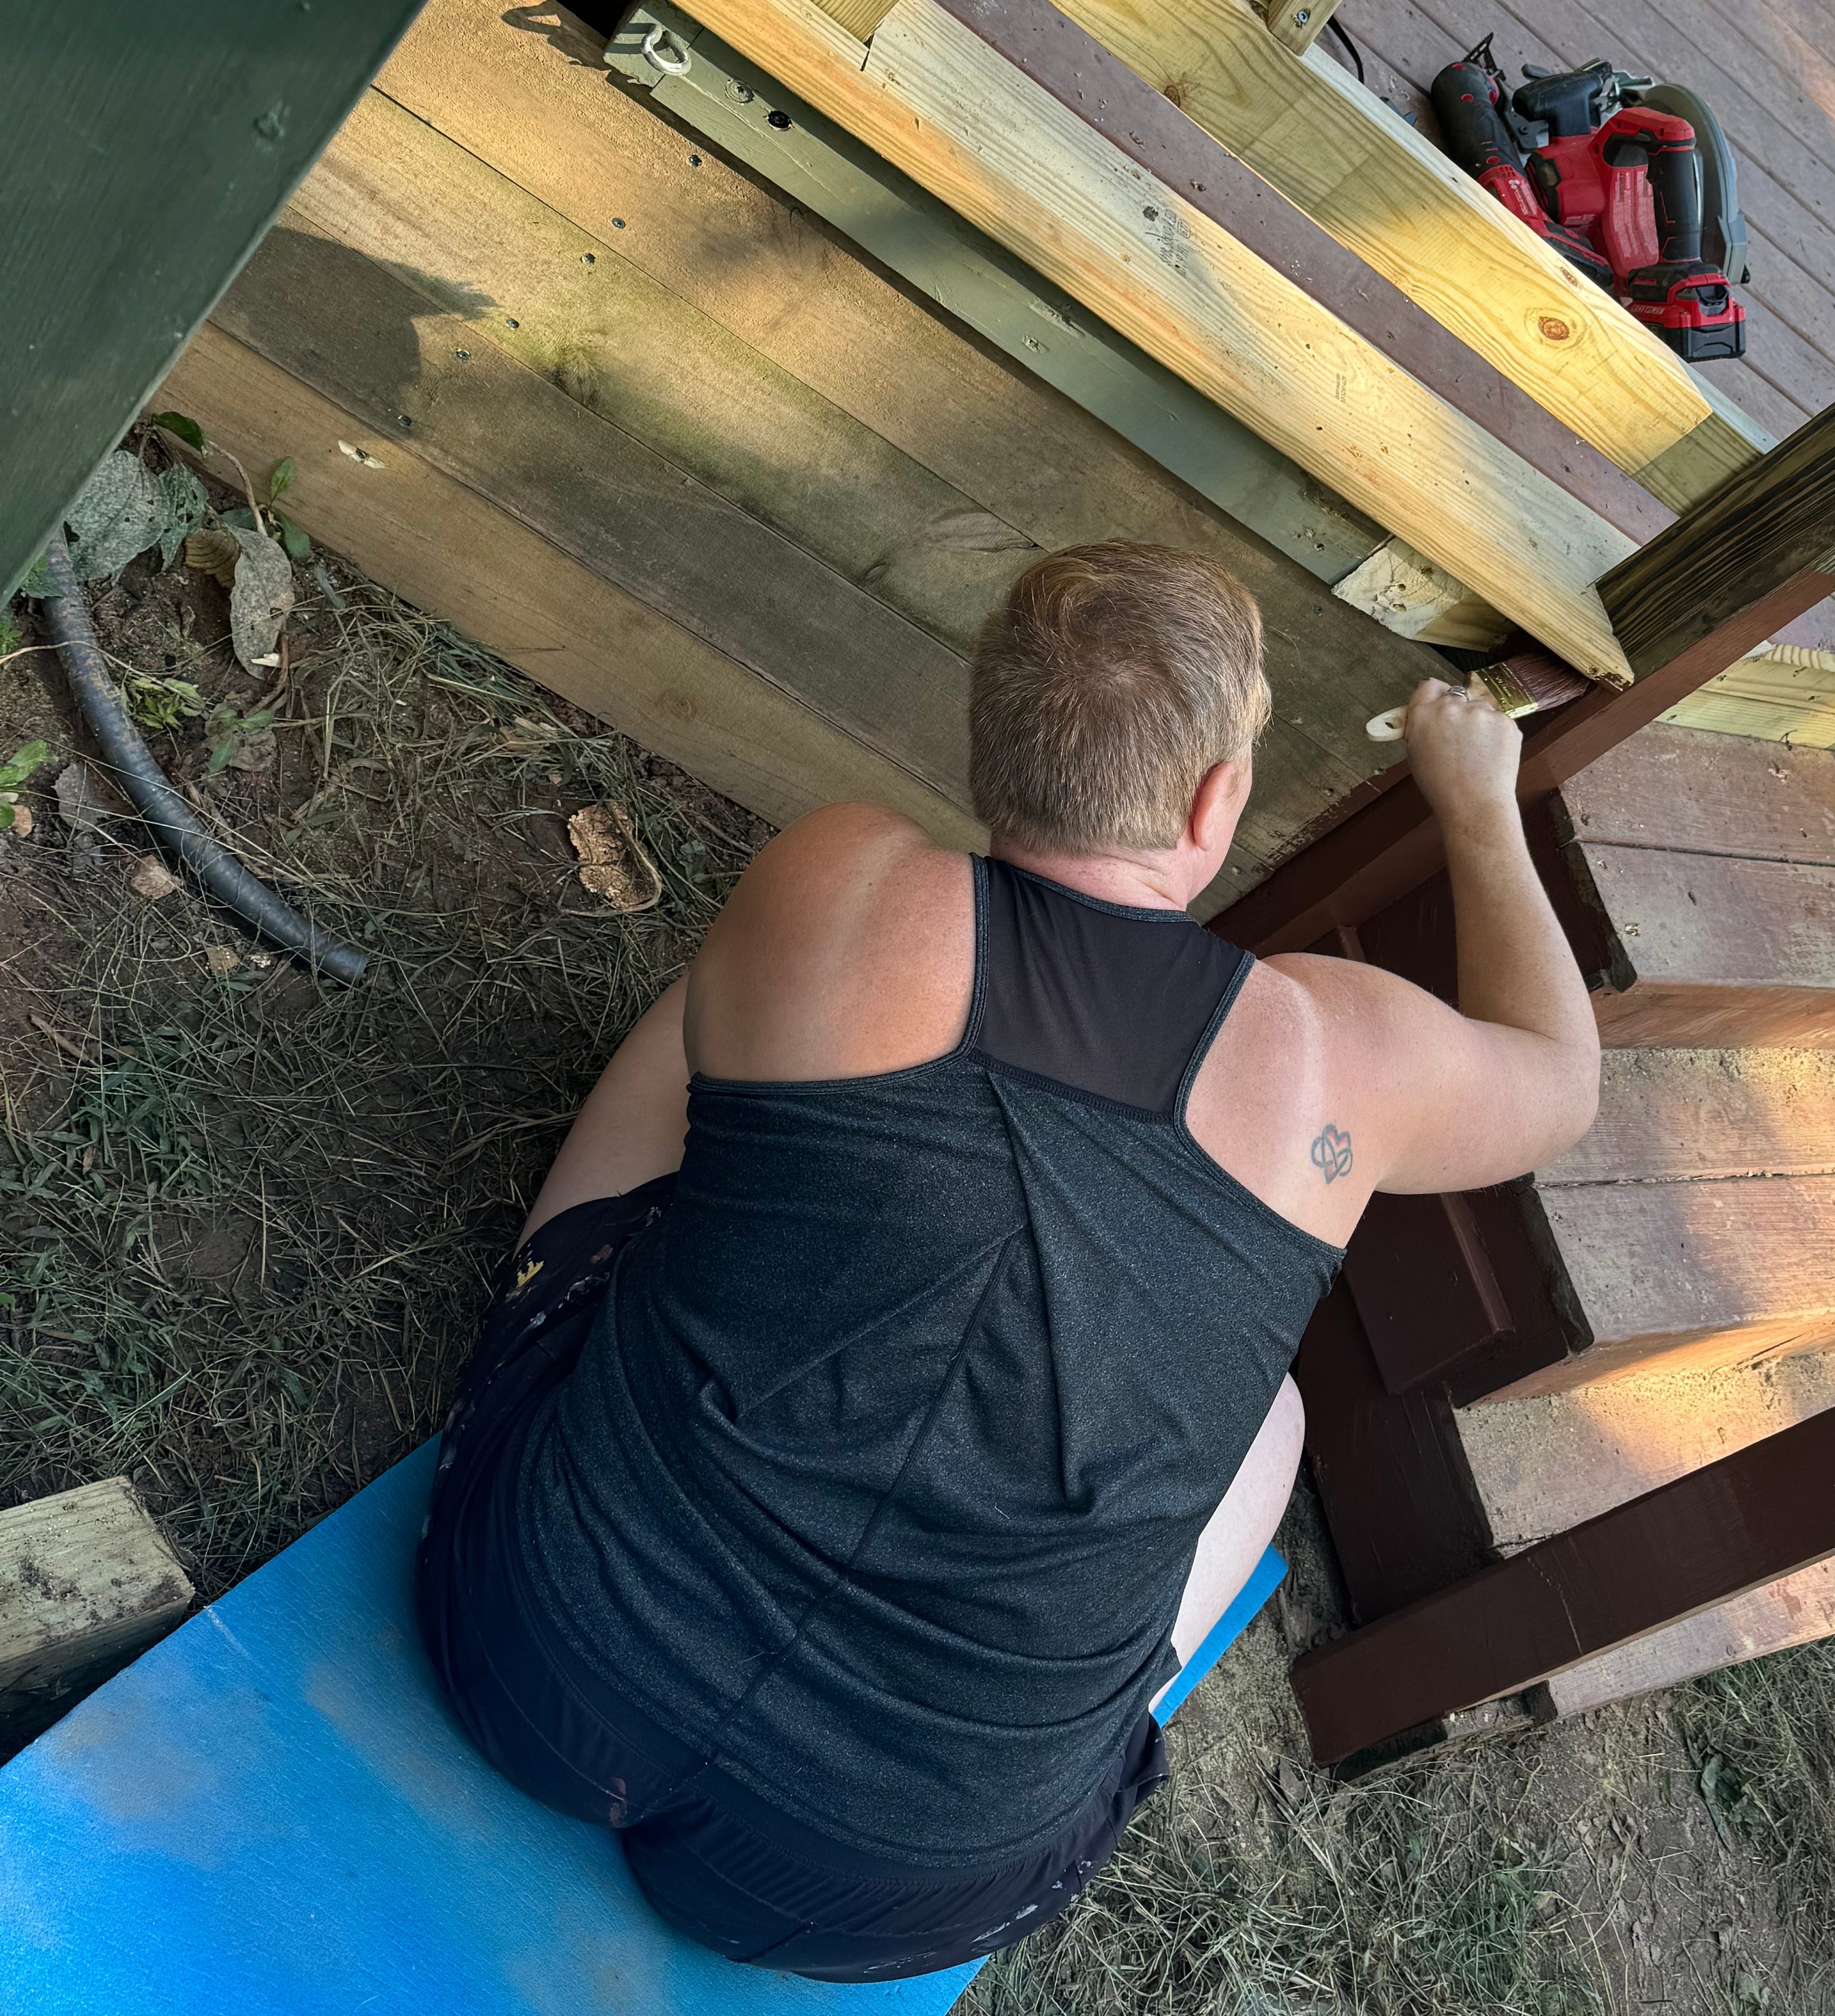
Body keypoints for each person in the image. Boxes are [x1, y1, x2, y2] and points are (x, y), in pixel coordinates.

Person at [414, 543, 1600, 1981]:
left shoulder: (837, 876)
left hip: (526, 1646)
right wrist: (1480, 801)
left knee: (735, 996)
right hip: (884, 1888)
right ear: (1217, 800)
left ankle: (547, 1307)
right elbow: (1559, 1076)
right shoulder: (1340, 1057)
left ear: (995, 748)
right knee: (1275, 1420)